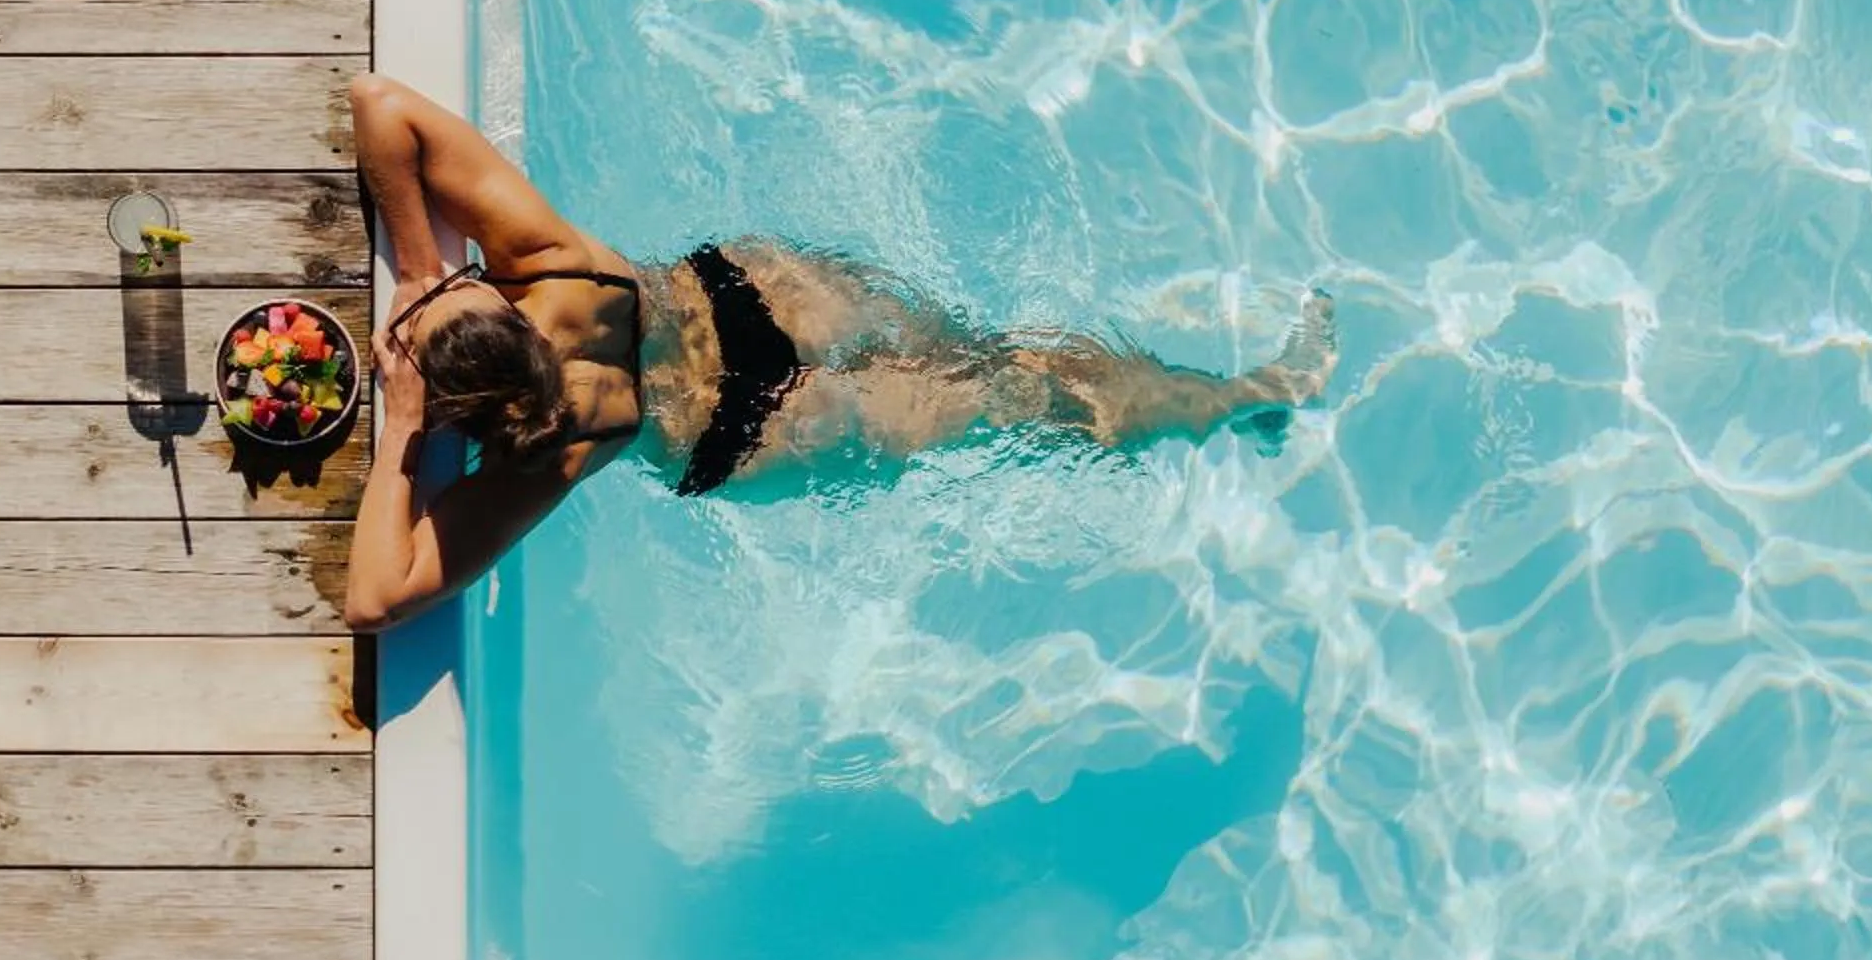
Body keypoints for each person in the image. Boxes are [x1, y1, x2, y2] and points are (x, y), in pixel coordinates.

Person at [339, 73, 1336, 632]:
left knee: (1015, 408)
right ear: (499, 307)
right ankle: (1244, 393)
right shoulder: (550, 265)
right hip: (747, 304)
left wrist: (405, 432)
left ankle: (1242, 402)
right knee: (1008, 366)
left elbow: (378, 598)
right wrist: (429, 270)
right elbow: (382, 103)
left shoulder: (548, 455)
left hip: (742, 433)